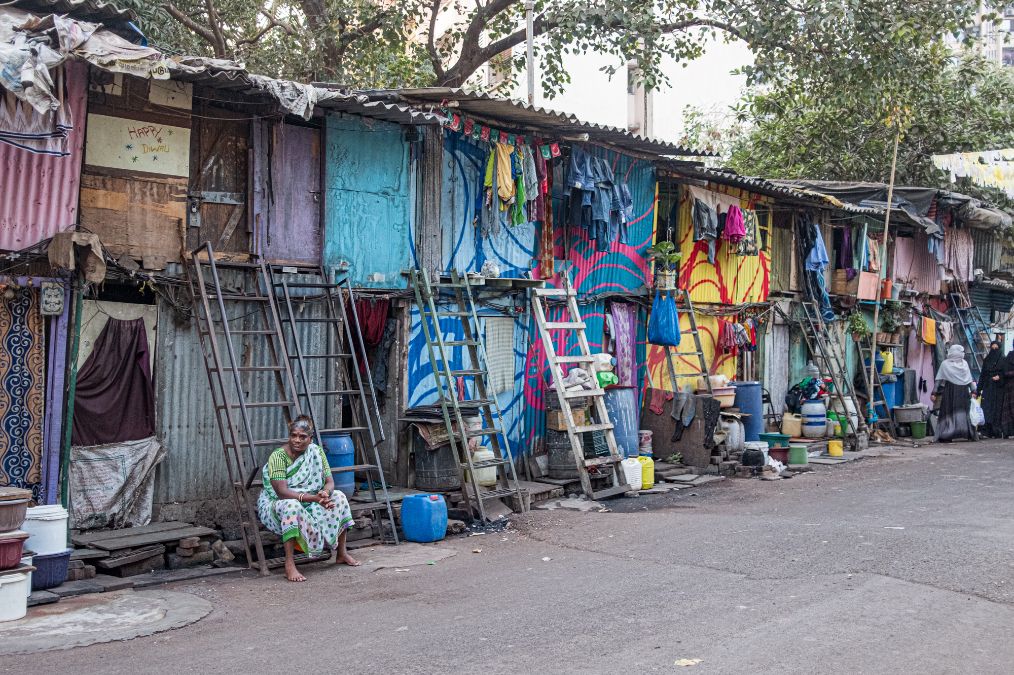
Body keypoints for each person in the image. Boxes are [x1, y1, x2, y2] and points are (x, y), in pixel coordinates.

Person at [257, 415, 360, 582]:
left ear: (310, 439)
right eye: (294, 435)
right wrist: (314, 498)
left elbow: (329, 482)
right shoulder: (278, 456)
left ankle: (341, 553)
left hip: (311, 499)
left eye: (302, 437)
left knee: (339, 497)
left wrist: (325, 493)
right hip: (277, 503)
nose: (297, 440)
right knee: (291, 506)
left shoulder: (316, 452)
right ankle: (289, 564)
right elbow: (282, 492)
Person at [932, 344, 977, 442]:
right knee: (949, 412)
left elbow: (969, 379)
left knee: (964, 412)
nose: (963, 354)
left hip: (961, 392)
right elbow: (939, 379)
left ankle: (968, 433)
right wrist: (934, 392)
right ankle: (947, 435)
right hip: (950, 391)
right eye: (961, 352)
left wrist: (974, 391)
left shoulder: (964, 364)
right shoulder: (945, 364)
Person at [977, 341, 1004, 438]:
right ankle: (985, 431)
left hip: (998, 389)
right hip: (988, 387)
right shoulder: (987, 360)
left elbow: (1006, 373)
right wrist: (978, 390)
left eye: (996, 349)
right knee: (986, 408)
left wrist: (1000, 377)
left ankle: (996, 431)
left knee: (996, 409)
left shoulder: (1003, 360)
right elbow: (982, 375)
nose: (994, 351)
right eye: (992, 349)